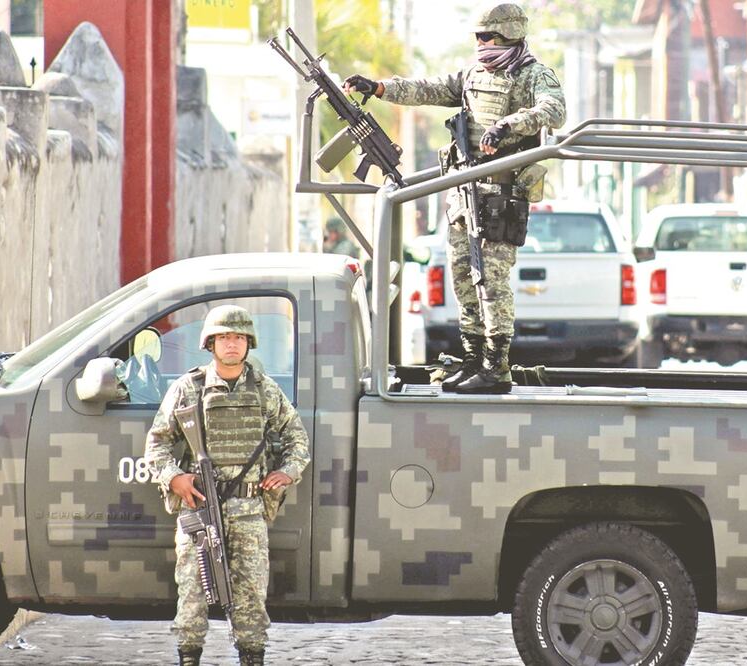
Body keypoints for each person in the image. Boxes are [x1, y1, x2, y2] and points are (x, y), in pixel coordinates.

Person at [343, 2, 565, 394]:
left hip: (501, 195)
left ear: (509, 35)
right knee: (463, 277)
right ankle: (473, 360)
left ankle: (496, 368)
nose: (481, 44)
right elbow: (428, 88)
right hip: (465, 193)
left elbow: (554, 109)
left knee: (491, 282)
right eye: (478, 37)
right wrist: (378, 88)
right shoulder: (472, 76)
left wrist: (508, 124)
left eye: (487, 37)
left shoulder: (532, 75)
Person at [144, 305, 310, 666]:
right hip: (200, 510)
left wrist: (289, 471)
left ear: (248, 343)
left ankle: (252, 658)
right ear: (210, 343)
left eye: (237, 338)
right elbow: (157, 443)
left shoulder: (265, 390)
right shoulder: (189, 388)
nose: (231, 344)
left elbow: (297, 438)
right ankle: (189, 658)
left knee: (250, 599)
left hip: (249, 511)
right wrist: (175, 477)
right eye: (223, 338)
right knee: (192, 595)